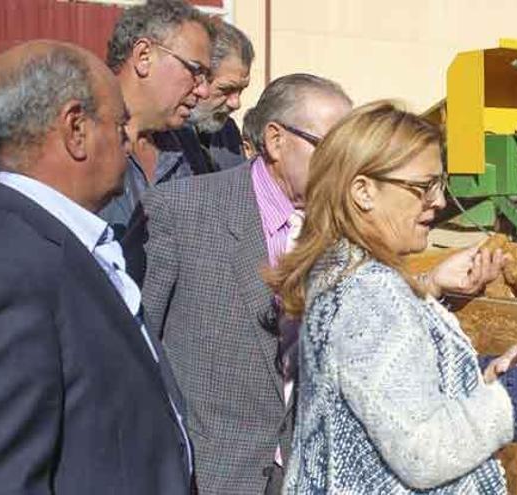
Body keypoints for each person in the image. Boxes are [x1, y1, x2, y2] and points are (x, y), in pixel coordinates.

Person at [270, 101, 517, 494]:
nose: (439, 202)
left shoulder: (342, 268)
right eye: (423, 187)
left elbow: (394, 400)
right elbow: (425, 453)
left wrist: (493, 374)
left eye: (439, 185)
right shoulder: (370, 293)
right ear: (363, 192)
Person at [0, 40, 192, 494]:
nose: (128, 143)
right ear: (76, 129)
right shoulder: (13, 265)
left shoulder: (62, 241)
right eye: (121, 125)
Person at [141, 73, 353, 495]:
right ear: (276, 141)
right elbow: (140, 349)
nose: (346, 163)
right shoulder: (183, 210)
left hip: (306, 472)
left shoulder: (344, 228)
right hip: (210, 473)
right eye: (333, 147)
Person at [99, 0, 213, 232]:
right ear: (144, 56)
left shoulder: (186, 144)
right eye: (195, 71)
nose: (204, 91)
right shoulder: (77, 138)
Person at [173, 19, 254, 174]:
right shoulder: (162, 133)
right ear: (198, 77)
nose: (236, 103)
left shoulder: (228, 133)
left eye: (241, 90)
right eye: (226, 89)